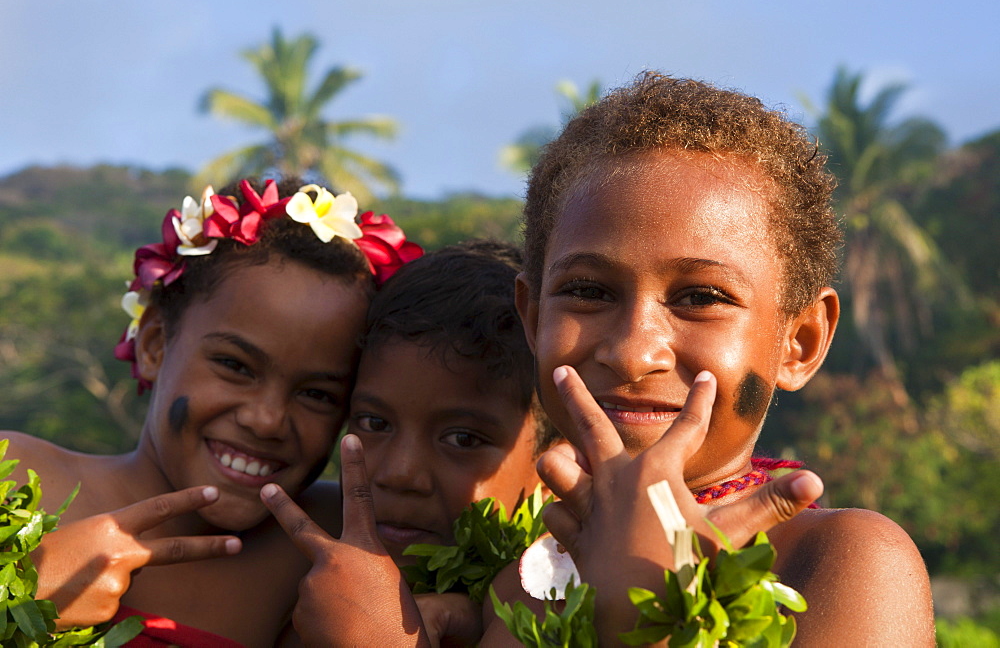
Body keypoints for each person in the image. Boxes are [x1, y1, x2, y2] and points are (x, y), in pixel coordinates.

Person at [478, 72, 935, 645]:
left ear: (801, 342)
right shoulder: (514, 585)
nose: (632, 352)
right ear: (534, 317)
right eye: (589, 291)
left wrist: (646, 623)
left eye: (702, 298)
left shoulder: (843, 560)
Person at [1, 177, 421, 646]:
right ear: (154, 344)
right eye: (235, 366)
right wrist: (19, 600)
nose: (266, 419)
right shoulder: (17, 478)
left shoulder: (339, 548)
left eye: (318, 394)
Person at [260, 240, 561, 645]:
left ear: (554, 465)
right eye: (373, 422)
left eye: (462, 438)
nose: (400, 473)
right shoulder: (288, 577)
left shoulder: (571, 606)